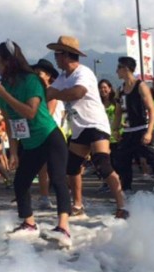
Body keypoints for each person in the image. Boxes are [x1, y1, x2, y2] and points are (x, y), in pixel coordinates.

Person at [0, 39, 72, 247]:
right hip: (30, 143)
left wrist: (4, 94)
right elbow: (10, 122)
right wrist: (14, 152)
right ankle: (29, 223)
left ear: (9, 61)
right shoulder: (6, 87)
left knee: (58, 179)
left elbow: (30, 111)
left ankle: (64, 227)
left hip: (49, 136)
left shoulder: (31, 80)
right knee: (20, 181)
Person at [46, 36, 127, 218]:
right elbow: (49, 93)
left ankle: (122, 204)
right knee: (72, 167)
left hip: (95, 124)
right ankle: (78, 205)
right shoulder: (62, 76)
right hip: (78, 127)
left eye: (57, 54)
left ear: (66, 55)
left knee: (102, 164)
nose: (55, 58)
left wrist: (57, 94)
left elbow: (78, 92)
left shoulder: (84, 72)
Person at [112, 56, 154, 203]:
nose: (116, 71)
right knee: (123, 163)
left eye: (119, 67)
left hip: (142, 130)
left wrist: (149, 132)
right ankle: (126, 192)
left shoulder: (141, 86)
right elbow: (118, 112)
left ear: (126, 68)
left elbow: (152, 110)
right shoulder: (119, 89)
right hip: (127, 132)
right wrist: (115, 129)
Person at [32, 58, 62, 209]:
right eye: (35, 72)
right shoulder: (36, 92)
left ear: (49, 75)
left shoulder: (52, 92)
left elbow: (48, 115)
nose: (37, 75)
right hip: (39, 133)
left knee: (57, 170)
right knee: (42, 168)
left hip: (51, 132)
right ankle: (44, 197)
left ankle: (65, 201)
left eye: (40, 72)